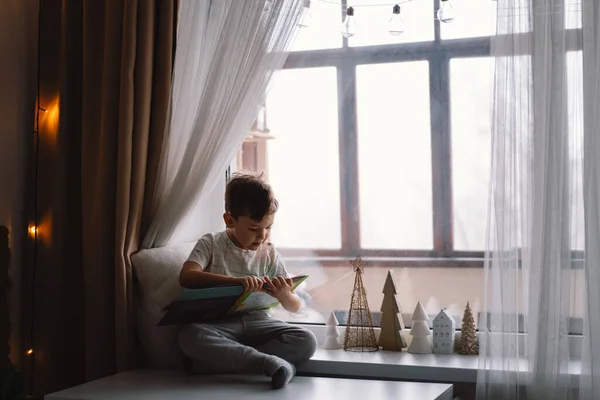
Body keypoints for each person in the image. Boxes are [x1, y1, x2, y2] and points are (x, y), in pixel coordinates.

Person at [178, 172, 317, 389]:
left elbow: (294, 306)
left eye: (268, 228)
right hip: (220, 325)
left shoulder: (270, 254)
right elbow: (186, 276)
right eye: (254, 229)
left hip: (259, 324)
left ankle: (220, 362)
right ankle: (269, 363)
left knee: (306, 340)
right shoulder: (211, 243)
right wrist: (236, 282)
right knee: (190, 336)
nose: (262, 236)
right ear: (229, 220)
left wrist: (284, 295)